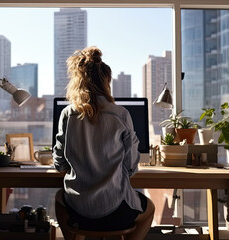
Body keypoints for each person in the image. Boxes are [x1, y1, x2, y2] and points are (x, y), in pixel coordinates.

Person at [53, 46, 155, 240]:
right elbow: (131, 168)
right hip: (116, 212)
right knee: (149, 210)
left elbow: (60, 165)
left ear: (78, 81)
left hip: (79, 214)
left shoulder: (68, 114)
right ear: (106, 82)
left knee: (59, 199)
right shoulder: (121, 115)